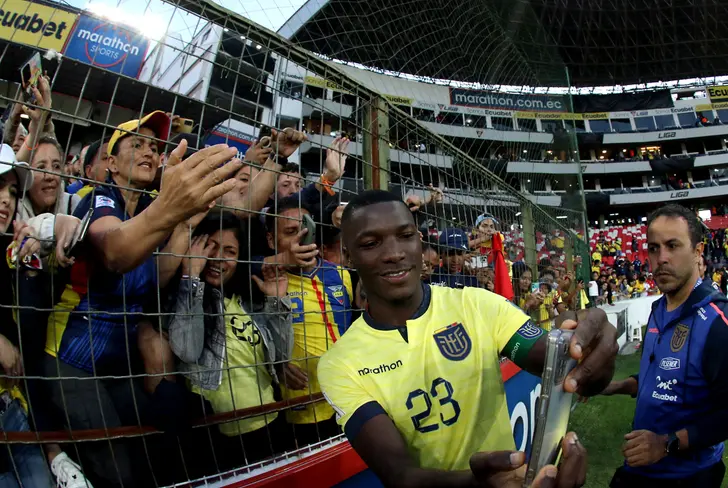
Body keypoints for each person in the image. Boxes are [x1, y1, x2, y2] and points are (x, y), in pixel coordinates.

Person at [318, 190, 619, 487]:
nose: (394, 253)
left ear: (419, 242)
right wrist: (480, 484)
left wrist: (587, 353)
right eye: (371, 243)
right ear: (347, 255)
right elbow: (400, 476)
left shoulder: (478, 305)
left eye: (406, 235)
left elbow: (554, 360)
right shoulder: (340, 364)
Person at [604, 205, 728, 488]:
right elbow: (662, 377)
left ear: (698, 252)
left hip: (688, 477)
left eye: (673, 246)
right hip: (640, 472)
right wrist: (614, 386)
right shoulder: (659, 308)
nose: (661, 258)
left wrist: (668, 443)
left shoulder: (718, 323)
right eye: (653, 248)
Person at [166, 212, 293, 467]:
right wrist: (190, 278)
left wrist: (276, 302)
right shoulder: (184, 300)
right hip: (218, 438)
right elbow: (187, 351)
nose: (219, 259)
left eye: (230, 251)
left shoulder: (246, 303)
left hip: (271, 423)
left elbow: (283, 355)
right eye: (211, 247)